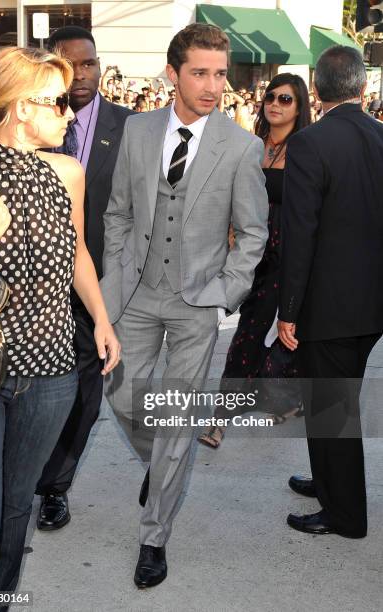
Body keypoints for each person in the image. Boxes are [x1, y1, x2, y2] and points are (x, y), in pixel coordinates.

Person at [100, 22, 268, 588]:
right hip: (136, 295)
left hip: (198, 302)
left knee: (174, 419)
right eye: (200, 72)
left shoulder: (242, 146)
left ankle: (154, 537)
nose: (213, 85)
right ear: (172, 74)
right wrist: (113, 279)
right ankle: (161, 467)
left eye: (220, 74)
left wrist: (226, 292)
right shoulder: (139, 131)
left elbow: (253, 234)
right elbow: (119, 211)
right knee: (122, 398)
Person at [0, 46, 120, 606]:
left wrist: (101, 319)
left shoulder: (69, 172)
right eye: (57, 102)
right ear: (18, 108)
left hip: (53, 369)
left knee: (15, 513)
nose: (71, 112)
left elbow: (79, 251)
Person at [278, 45, 383, 538]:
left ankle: (345, 515)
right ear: (362, 88)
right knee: (334, 404)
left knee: (332, 410)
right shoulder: (381, 136)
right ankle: (328, 482)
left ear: (316, 90)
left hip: (331, 307)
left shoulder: (310, 144)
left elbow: (301, 233)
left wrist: (289, 309)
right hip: (371, 304)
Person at [33, 26, 133, 532]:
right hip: (32, 288)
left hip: (99, 284)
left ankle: (55, 487)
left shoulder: (130, 126)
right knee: (32, 391)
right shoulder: (26, 124)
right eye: (72, 64)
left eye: (91, 63)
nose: (84, 74)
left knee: (83, 397)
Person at [198, 73, 311, 449]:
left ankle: (230, 417)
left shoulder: (304, 150)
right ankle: (243, 411)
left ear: (300, 107)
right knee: (247, 336)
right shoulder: (251, 145)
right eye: (271, 97)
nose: (275, 104)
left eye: (286, 99)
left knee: (281, 338)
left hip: (285, 257)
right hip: (249, 256)